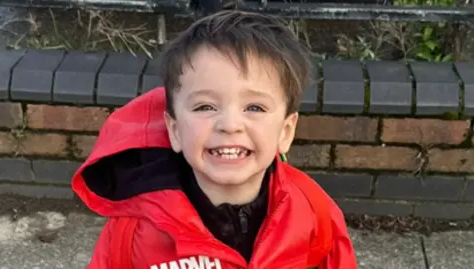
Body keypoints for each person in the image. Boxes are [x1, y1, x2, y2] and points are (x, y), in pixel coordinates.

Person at [71, 10, 357, 269]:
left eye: (254, 107)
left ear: (285, 132)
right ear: (175, 130)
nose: (230, 125)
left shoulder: (314, 212)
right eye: (205, 107)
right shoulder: (135, 227)